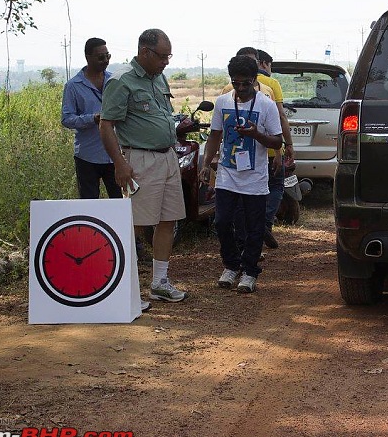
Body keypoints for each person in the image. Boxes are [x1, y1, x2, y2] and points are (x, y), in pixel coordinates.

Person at [99, 28, 187, 306]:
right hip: (139, 161)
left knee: (168, 219)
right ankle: (124, 290)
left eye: (168, 55)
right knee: (135, 225)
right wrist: (120, 163)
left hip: (168, 157)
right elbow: (106, 125)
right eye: (162, 56)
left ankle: (159, 282)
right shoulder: (121, 80)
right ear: (144, 52)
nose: (166, 61)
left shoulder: (159, 77)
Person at [201, 55, 282, 293]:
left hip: (255, 176)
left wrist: (257, 135)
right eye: (236, 83)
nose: (241, 88)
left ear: (255, 80)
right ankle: (230, 265)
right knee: (222, 222)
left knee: (254, 226)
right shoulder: (222, 102)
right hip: (228, 173)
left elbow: (276, 142)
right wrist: (207, 163)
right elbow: (215, 135)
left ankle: (249, 271)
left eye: (246, 83)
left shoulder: (266, 105)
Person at [61, 38, 122, 200]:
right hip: (87, 156)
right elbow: (67, 119)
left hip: (114, 155)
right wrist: (92, 119)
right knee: (89, 203)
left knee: (119, 202)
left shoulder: (114, 81)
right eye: (101, 57)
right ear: (88, 57)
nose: (106, 61)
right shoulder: (73, 86)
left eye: (108, 56)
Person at [255, 49, 294, 249]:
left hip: (245, 153)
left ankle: (254, 227)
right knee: (276, 186)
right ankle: (265, 224)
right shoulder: (271, 85)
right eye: (270, 65)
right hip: (270, 148)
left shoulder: (228, 87)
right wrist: (288, 145)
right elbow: (280, 116)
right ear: (263, 63)